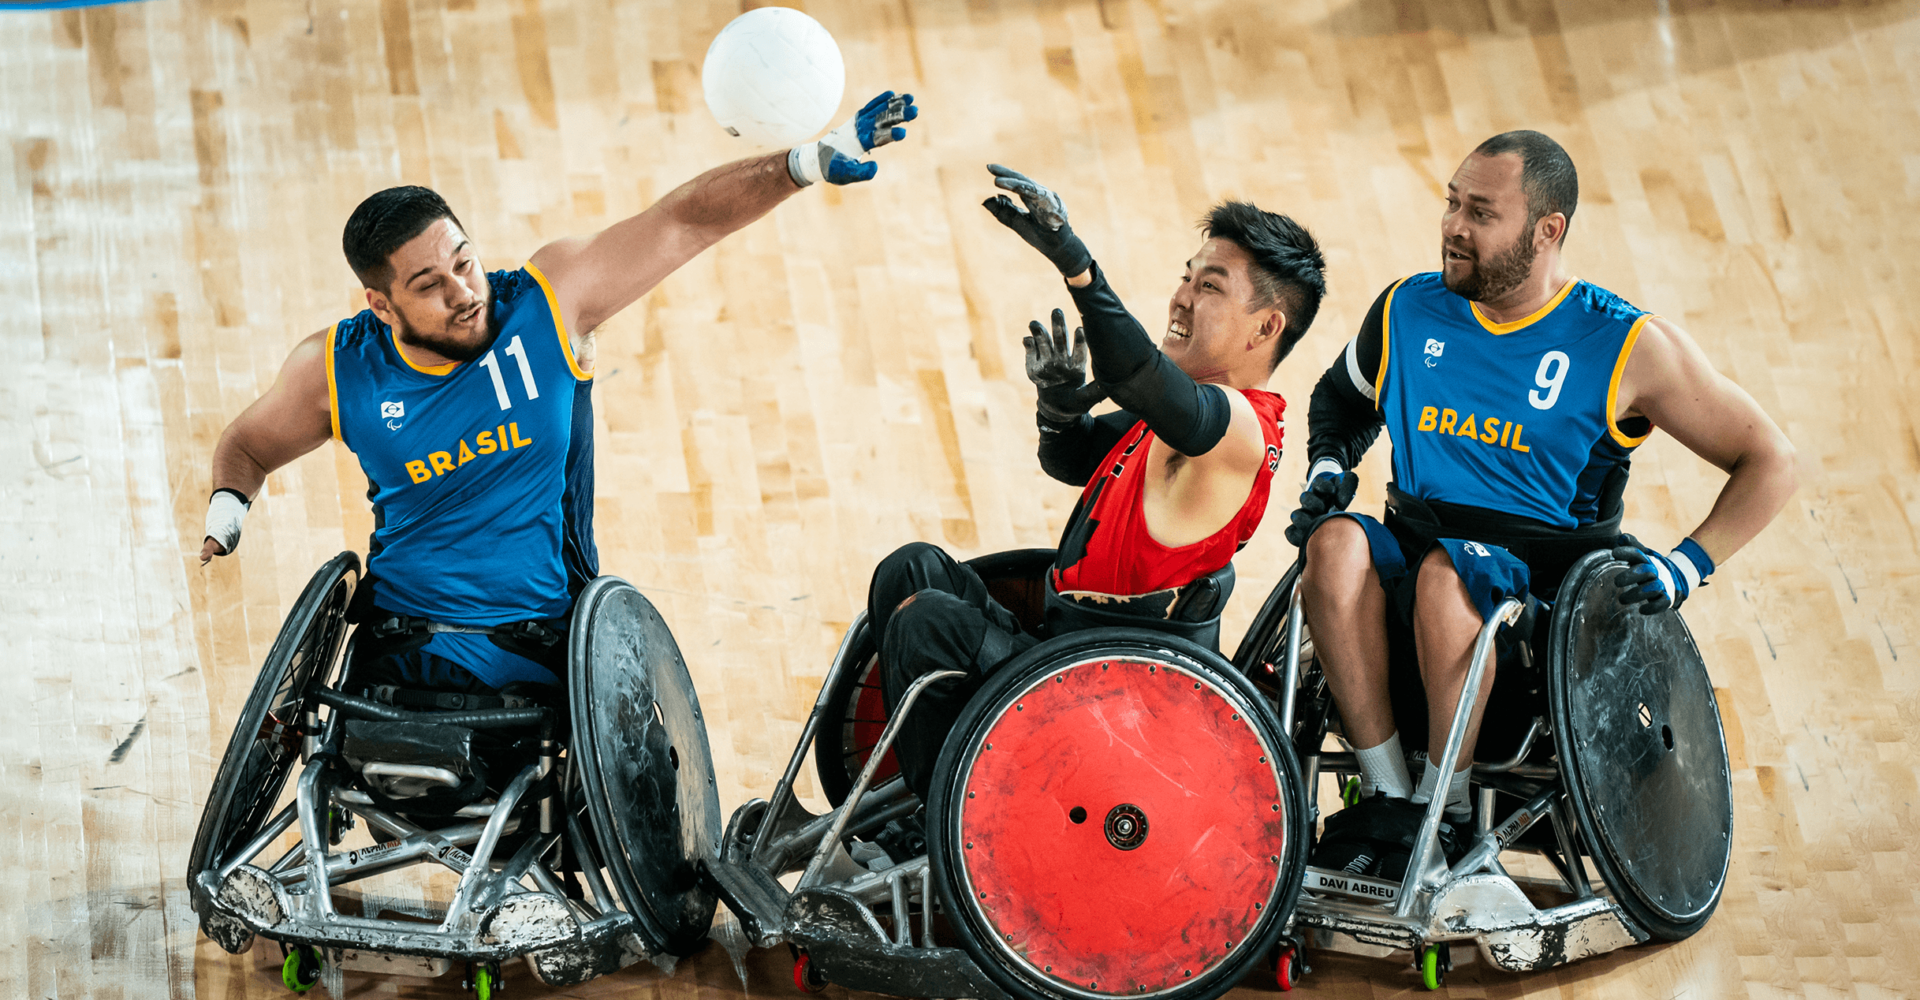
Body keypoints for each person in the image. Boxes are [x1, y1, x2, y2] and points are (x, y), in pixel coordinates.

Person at [199, 92, 918, 700]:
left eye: (464, 263)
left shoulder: (548, 303)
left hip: (541, 638)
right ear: (380, 306)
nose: (462, 294)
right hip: (401, 639)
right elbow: (248, 446)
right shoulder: (335, 367)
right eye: (428, 286)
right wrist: (227, 513)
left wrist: (803, 163)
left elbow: (684, 220)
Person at [1290, 130, 1797, 879]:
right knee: (1333, 546)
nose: (1454, 226)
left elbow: (1772, 461)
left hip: (1539, 602)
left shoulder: (1624, 344)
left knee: (1446, 575)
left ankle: (1448, 806)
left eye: (1482, 212)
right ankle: (1395, 798)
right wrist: (1328, 469)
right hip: (1419, 552)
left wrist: (1686, 567)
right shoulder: (1407, 309)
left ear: (1547, 230)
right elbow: (1340, 401)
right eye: (1452, 203)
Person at [869, 165, 1327, 798]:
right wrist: (1058, 409)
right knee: (910, 570)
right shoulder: (1185, 410)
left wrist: (1077, 264)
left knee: (931, 623)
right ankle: (893, 801)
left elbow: (1134, 370)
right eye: (1186, 277)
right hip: (1064, 652)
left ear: (1266, 327)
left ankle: (924, 824)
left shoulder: (1238, 429)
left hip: (1114, 701)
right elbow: (1072, 458)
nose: (1182, 298)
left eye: (1211, 287)